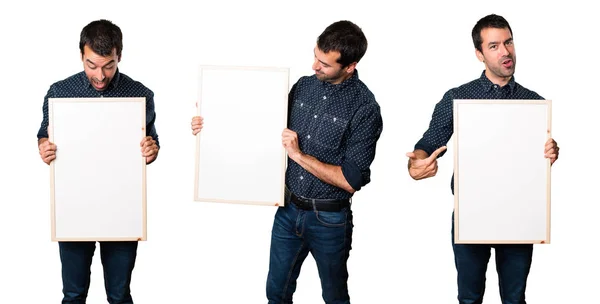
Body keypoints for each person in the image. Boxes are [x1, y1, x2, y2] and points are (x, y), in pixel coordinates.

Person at [191, 20, 382, 304]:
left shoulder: (365, 108)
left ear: (350, 66)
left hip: (329, 220)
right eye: (315, 57)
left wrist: (299, 156)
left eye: (325, 64)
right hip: (287, 210)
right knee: (276, 293)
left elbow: (351, 180)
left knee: (334, 297)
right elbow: (262, 122)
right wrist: (210, 125)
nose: (315, 66)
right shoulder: (303, 87)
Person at [406, 14, 559, 304]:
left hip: (519, 215)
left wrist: (551, 154)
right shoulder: (458, 97)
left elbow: (538, 161)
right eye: (494, 46)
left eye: (509, 42)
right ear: (479, 54)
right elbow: (427, 143)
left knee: (514, 299)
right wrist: (418, 162)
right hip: (471, 213)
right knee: (469, 298)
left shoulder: (534, 103)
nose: (505, 51)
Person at [37, 19, 159, 303]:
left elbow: (151, 143)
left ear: (120, 56)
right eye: (92, 65)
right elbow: (44, 136)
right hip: (74, 208)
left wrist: (152, 151)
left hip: (121, 208)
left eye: (109, 65)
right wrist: (44, 147)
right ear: (81, 55)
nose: (100, 75)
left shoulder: (140, 94)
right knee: (74, 294)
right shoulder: (59, 92)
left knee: (118, 295)